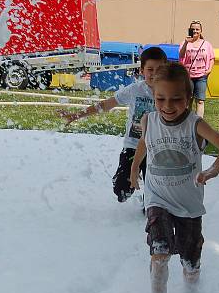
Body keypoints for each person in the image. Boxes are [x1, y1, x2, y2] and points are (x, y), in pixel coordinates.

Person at [129, 62, 219, 293]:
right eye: (160, 98)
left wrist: (212, 170)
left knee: (190, 257)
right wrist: (134, 170)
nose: (167, 106)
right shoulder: (148, 120)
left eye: (176, 99)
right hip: (157, 197)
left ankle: (193, 290)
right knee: (160, 250)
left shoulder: (194, 124)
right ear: (153, 95)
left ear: (189, 98)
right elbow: (144, 145)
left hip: (188, 203)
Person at [61, 46, 168, 202]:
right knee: (121, 190)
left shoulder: (169, 91)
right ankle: (127, 185)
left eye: (159, 69)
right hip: (133, 145)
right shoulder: (134, 90)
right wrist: (78, 115)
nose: (154, 73)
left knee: (155, 188)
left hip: (157, 147)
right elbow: (106, 105)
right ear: (142, 70)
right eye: (150, 69)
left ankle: (150, 204)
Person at [178, 20, 214, 118]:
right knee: (188, 99)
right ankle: (186, 120)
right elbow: (181, 55)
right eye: (192, 29)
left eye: (197, 29)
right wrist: (186, 42)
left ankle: (199, 123)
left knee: (200, 101)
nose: (195, 31)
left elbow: (211, 58)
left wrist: (209, 70)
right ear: (189, 30)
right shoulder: (184, 43)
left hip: (201, 76)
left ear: (201, 31)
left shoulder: (207, 44)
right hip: (188, 75)